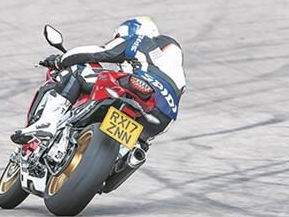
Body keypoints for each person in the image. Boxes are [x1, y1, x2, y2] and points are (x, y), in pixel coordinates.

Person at [11, 16, 185, 145]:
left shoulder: (140, 40)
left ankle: (48, 121)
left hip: (137, 87)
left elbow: (101, 52)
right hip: (162, 117)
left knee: (76, 71)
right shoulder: (173, 64)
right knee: (137, 148)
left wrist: (59, 60)